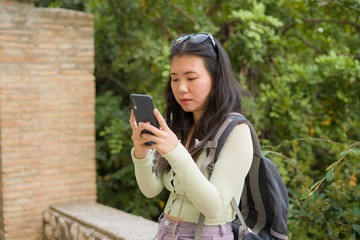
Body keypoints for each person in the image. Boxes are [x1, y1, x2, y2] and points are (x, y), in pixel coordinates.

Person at [129, 33, 253, 240]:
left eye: (191, 78)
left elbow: (214, 207)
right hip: (165, 232)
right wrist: (141, 153)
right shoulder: (178, 125)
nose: (181, 88)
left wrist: (175, 151)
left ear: (216, 76)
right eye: (174, 79)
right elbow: (151, 190)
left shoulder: (236, 131)